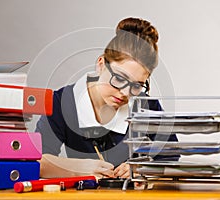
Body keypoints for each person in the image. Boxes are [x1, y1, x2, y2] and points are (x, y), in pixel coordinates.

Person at [36, 17, 178, 179]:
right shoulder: (60, 102)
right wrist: (77, 168)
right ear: (101, 64)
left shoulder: (145, 104)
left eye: (137, 85)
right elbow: (36, 160)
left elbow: (170, 155)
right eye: (119, 79)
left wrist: (144, 167)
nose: (125, 93)